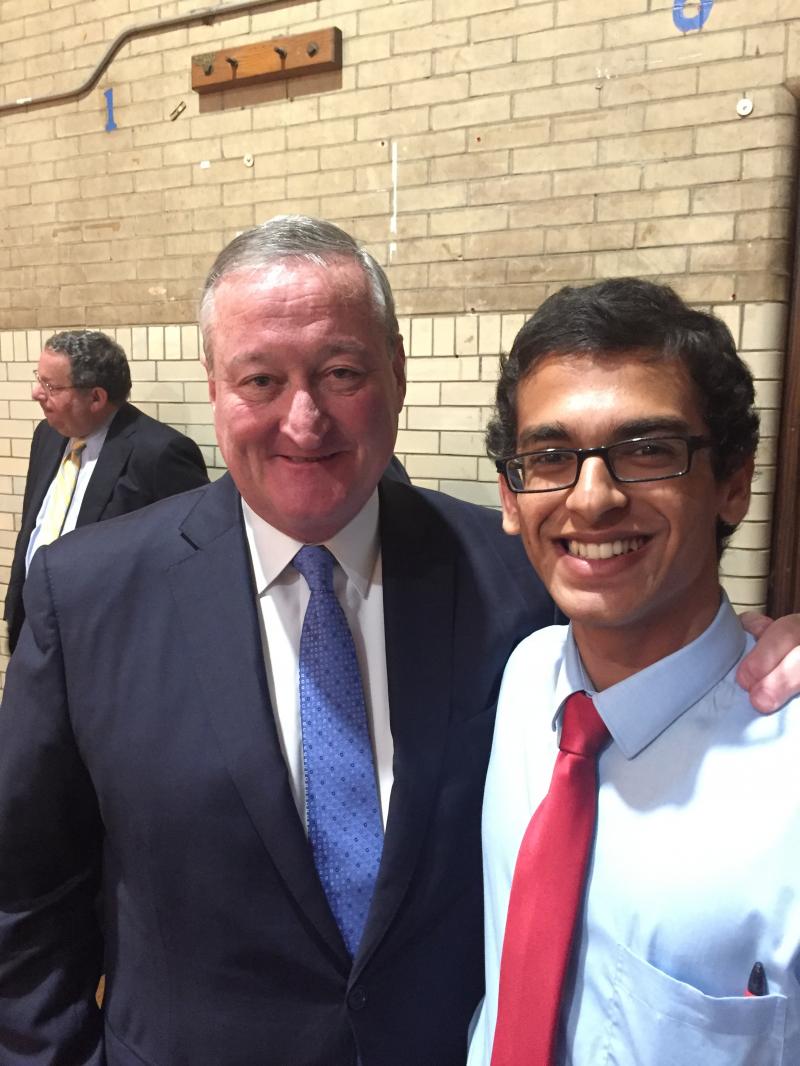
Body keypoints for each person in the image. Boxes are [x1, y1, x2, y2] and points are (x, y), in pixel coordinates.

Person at [0, 222, 797, 1066]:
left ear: (398, 374)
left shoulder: (519, 588)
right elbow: (24, 897)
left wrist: (760, 647)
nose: (304, 418)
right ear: (215, 387)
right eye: (261, 379)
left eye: (341, 373)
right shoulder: (87, 596)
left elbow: (661, 636)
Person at [467, 278, 800, 1066]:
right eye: (551, 457)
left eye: (648, 450)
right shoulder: (524, 679)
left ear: (733, 482)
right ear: (512, 498)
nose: (592, 499)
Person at [3, 329, 209, 653]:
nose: (36, 393)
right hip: (33, 631)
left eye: (51, 386)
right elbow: (35, 528)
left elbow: (195, 567)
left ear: (96, 398)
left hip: (108, 644)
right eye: (39, 380)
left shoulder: (160, 454)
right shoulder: (48, 434)